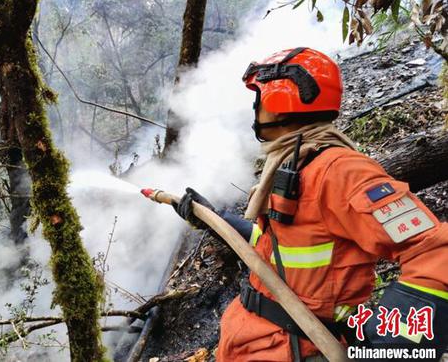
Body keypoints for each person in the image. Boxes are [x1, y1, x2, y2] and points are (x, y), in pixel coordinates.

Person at [172, 47, 448, 361]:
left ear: (280, 104)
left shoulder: (341, 172)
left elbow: (436, 251)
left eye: (259, 99)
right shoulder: (297, 165)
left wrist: (395, 347)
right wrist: (214, 219)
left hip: (296, 348)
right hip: (256, 340)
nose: (255, 109)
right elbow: (278, 246)